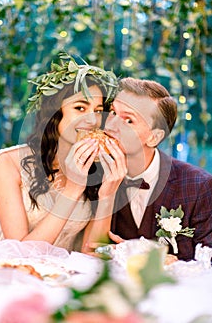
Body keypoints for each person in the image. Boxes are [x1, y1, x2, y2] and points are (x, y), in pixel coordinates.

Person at [0, 51, 123, 252]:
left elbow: (92, 252)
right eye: (80, 108)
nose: (92, 120)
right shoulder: (8, 163)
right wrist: (73, 189)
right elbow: (20, 253)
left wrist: (108, 193)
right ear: (54, 114)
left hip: (67, 276)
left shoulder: (98, 167)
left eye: (98, 111)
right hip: (16, 273)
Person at [83, 77, 212, 261]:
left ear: (153, 137)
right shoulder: (94, 172)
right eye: (112, 112)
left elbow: (208, 268)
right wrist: (107, 196)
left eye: (128, 121)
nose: (111, 125)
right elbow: (89, 255)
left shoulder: (199, 186)